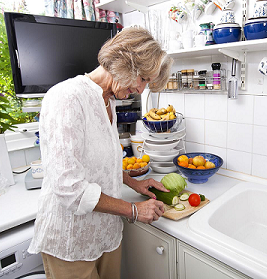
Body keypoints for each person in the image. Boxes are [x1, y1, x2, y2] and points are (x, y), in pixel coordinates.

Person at [28, 27, 173, 279]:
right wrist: (135, 210)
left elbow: (102, 161)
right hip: (71, 241)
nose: (140, 90)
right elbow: (69, 189)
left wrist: (132, 183)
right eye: (142, 80)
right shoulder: (66, 97)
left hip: (106, 234)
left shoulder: (108, 100)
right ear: (125, 63)